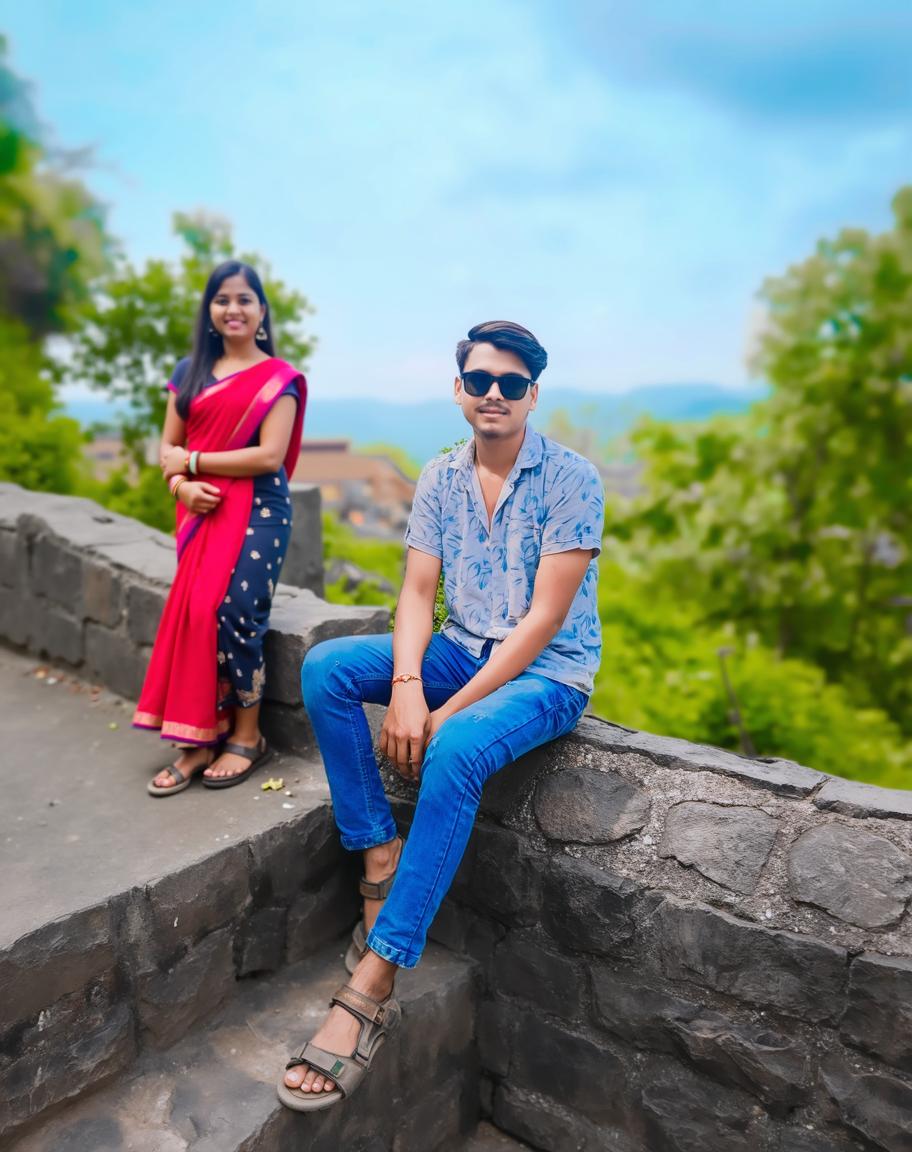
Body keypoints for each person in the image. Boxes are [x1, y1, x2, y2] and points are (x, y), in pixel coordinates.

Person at [279, 320, 603, 1111]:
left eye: (513, 383)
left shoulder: (572, 479)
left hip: (546, 674)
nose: (496, 394)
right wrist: (405, 682)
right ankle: (378, 858)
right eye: (482, 380)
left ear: (533, 395)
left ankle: (376, 975)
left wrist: (436, 707)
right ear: (460, 389)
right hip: (460, 644)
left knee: (453, 746)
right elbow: (419, 594)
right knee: (324, 667)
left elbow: (540, 625)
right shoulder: (439, 478)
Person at [134, 261, 306, 795]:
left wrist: (194, 464)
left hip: (259, 509)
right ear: (209, 312)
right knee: (195, 611)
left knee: (235, 610)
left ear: (261, 312)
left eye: (244, 299)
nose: (233, 308)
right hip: (201, 508)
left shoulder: (280, 379)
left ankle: (247, 736)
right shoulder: (189, 374)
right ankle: (199, 740)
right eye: (222, 299)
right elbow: (166, 448)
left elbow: (268, 455)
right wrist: (181, 487)